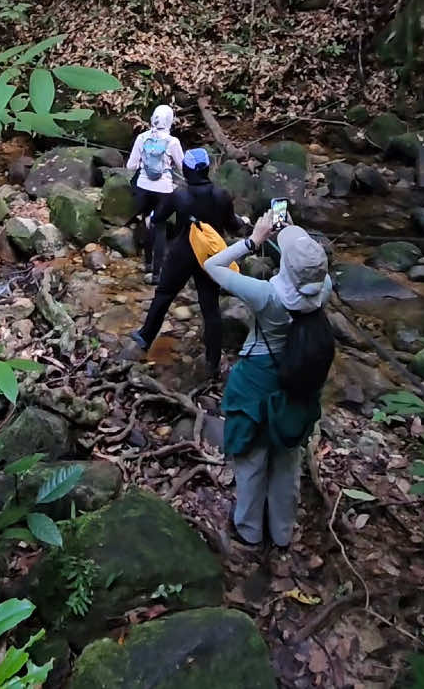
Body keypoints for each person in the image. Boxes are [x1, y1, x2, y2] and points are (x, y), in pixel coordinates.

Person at [202, 213, 332, 548]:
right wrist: (289, 228)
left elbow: (213, 266)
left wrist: (253, 240)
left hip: (257, 383)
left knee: (251, 458)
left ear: (285, 268)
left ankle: (248, 530)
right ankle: (282, 532)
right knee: (287, 460)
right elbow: (308, 266)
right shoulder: (324, 290)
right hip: (298, 385)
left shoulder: (266, 296)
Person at [130, 147, 246, 377]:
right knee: (210, 307)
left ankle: (145, 336)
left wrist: (151, 218)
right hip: (211, 257)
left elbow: (159, 217)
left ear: (187, 169)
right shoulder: (222, 195)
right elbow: (233, 226)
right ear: (206, 170)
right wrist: (245, 222)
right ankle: (213, 359)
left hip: (182, 252)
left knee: (164, 295)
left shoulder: (179, 195)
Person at [126, 104, 184, 281]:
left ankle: (148, 263)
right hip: (164, 190)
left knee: (147, 222)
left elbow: (131, 166)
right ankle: (157, 273)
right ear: (170, 120)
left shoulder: (142, 138)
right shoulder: (172, 142)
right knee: (160, 227)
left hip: (144, 188)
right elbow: (182, 167)